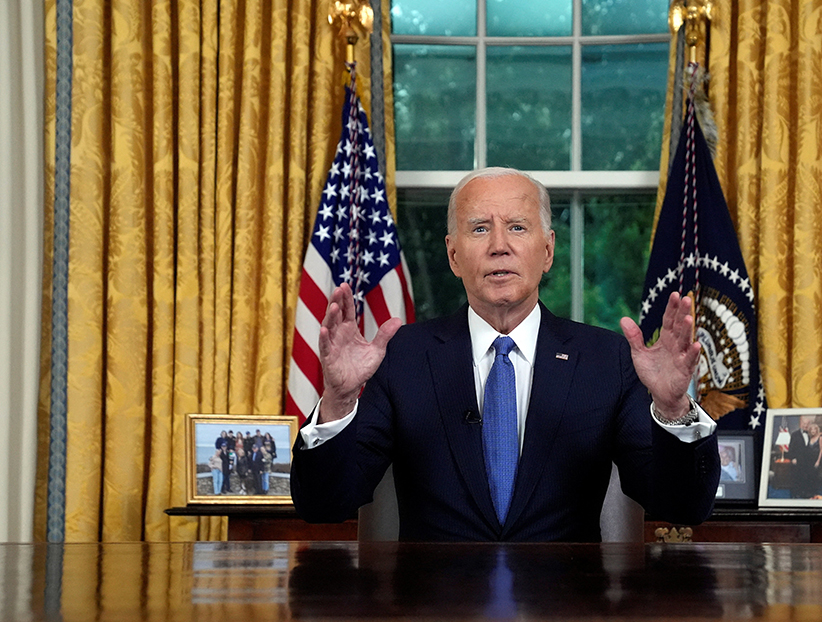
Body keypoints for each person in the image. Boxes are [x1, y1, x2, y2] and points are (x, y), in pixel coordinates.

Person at [291, 167, 721, 541]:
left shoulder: (606, 360)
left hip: (564, 614)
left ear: (548, 250)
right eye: (479, 228)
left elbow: (682, 508)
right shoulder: (404, 358)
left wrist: (673, 408)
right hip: (435, 616)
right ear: (454, 255)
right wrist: (339, 402)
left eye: (517, 227)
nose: (499, 245)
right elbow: (324, 506)